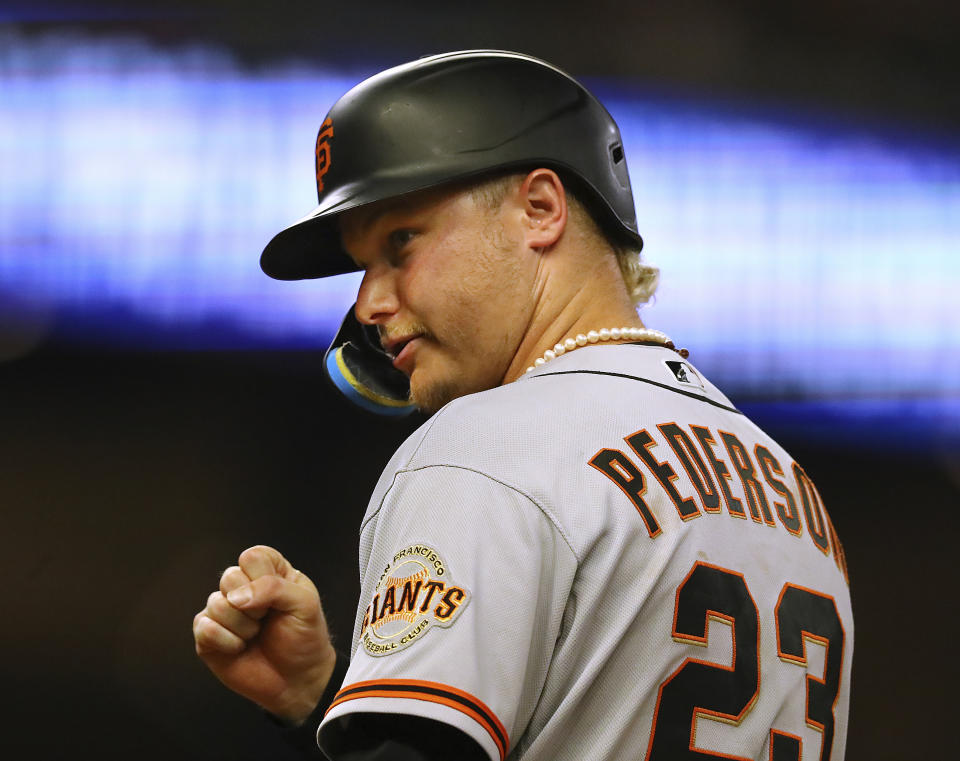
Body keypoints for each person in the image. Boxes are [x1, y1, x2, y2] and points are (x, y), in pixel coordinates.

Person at [193, 50, 853, 761]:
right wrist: (325, 692)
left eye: (400, 242)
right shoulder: (788, 487)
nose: (368, 303)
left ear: (540, 209)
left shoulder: (482, 447)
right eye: (365, 265)